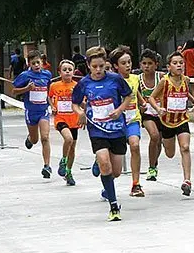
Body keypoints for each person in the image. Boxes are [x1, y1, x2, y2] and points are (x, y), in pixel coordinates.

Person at [72, 46, 132, 221]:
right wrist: (80, 113)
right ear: (88, 66)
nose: (98, 70)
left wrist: (120, 110)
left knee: (116, 171)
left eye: (101, 66)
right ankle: (114, 206)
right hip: (97, 130)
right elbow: (75, 103)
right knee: (106, 164)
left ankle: (107, 187)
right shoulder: (83, 83)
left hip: (117, 129)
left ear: (106, 65)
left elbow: (128, 95)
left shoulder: (115, 80)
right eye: (94, 67)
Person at [148, 52, 194, 196]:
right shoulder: (164, 82)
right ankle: (165, 142)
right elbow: (151, 97)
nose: (179, 65)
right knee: (170, 154)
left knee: (185, 147)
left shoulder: (186, 80)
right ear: (169, 67)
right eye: (175, 63)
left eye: (181, 62)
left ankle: (187, 181)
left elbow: (185, 93)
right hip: (167, 121)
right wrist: (158, 109)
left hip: (182, 119)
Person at [110, 46, 146, 197]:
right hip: (115, 122)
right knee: (112, 159)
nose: (128, 65)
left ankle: (136, 184)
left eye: (129, 62)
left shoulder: (135, 78)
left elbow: (135, 92)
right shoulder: (111, 81)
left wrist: (142, 102)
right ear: (116, 66)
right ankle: (107, 184)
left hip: (133, 119)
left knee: (135, 146)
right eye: (123, 63)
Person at [12, 50, 53, 178]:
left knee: (45, 137)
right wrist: (27, 89)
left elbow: (48, 91)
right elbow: (14, 91)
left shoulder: (47, 75)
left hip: (43, 111)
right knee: (35, 140)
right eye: (33, 63)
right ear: (29, 63)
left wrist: (52, 104)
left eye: (38, 62)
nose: (36, 65)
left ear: (42, 62)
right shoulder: (25, 75)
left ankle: (47, 166)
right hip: (31, 112)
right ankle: (30, 138)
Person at [49, 60, 80, 186]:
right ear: (59, 72)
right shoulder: (54, 86)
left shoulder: (77, 86)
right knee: (68, 139)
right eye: (64, 70)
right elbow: (50, 97)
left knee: (72, 148)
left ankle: (68, 172)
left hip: (74, 119)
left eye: (70, 70)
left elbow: (81, 101)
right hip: (61, 118)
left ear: (73, 72)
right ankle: (63, 160)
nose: (67, 72)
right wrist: (52, 106)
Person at [138, 49, 163, 181]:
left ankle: (155, 163)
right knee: (154, 136)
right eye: (144, 63)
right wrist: (140, 106)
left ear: (156, 64)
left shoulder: (162, 77)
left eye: (150, 63)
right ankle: (151, 167)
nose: (147, 66)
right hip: (147, 114)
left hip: (162, 113)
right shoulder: (138, 80)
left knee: (159, 142)